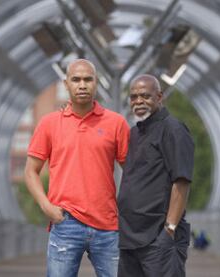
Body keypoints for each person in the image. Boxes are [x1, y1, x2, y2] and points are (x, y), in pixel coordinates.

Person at [24, 59, 130, 277]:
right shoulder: (49, 123)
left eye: (88, 79)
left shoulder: (116, 123)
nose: (82, 85)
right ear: (66, 84)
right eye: (76, 80)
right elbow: (30, 171)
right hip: (65, 223)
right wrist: (47, 207)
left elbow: (133, 173)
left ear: (96, 83)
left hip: (108, 225)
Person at [117, 74, 194, 277]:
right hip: (129, 239)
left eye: (145, 96)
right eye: (133, 97)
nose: (138, 101)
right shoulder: (134, 133)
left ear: (159, 97)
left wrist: (169, 230)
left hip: (158, 238)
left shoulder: (173, 130)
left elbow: (182, 181)